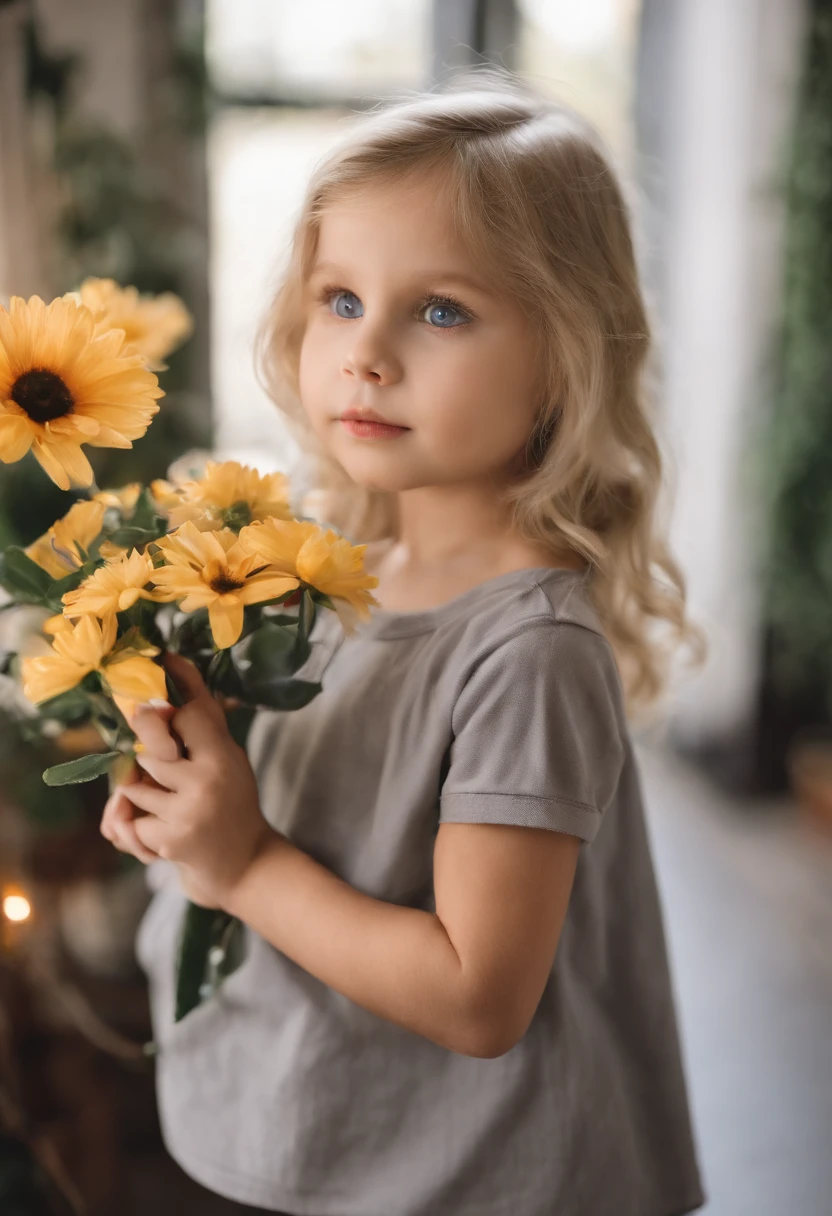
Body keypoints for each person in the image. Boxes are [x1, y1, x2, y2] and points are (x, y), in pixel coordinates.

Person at [101, 68, 708, 1216]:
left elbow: (479, 997)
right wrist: (186, 806)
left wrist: (241, 863)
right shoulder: (323, 564)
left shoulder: (528, 649)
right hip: (317, 1121)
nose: (366, 352)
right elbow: (295, 809)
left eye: (439, 310)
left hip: (462, 1176)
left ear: (564, 354)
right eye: (339, 297)